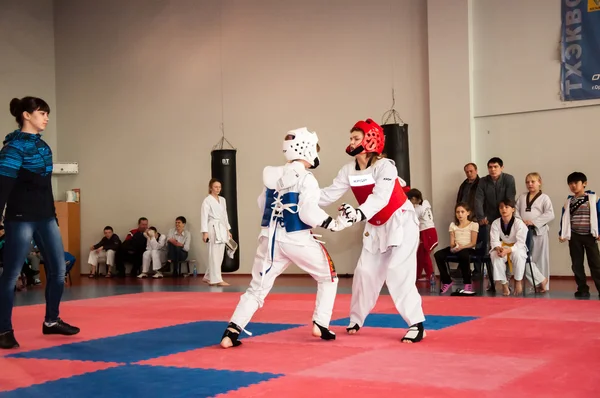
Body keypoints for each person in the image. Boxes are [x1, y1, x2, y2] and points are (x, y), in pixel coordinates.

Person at [220, 127, 346, 349]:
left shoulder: (272, 174)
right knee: (328, 277)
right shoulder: (307, 179)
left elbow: (262, 204)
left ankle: (231, 331)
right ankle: (321, 323)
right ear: (307, 150)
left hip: (269, 239)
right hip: (297, 239)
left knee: (257, 289)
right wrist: (332, 224)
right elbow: (307, 212)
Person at [319, 118, 426, 343]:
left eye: (356, 138)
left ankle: (417, 324)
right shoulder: (348, 170)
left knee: (398, 271)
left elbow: (380, 197)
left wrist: (358, 214)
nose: (351, 142)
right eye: (350, 138)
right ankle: (356, 318)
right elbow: (328, 194)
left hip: (401, 222)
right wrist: (302, 197)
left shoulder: (385, 166)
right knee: (365, 272)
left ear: (370, 140)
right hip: (375, 226)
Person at [0, 97, 80, 350]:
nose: (46, 118)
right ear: (26, 115)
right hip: (20, 218)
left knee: (58, 269)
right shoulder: (12, 149)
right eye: (42, 113)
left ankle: (52, 321)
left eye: (47, 113)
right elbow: (2, 188)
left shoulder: (44, 147)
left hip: (46, 218)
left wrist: (53, 216)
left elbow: (46, 187)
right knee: (11, 275)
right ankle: (3, 329)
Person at [490, 199, 547, 296]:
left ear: (513, 209)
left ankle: (518, 282)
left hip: (517, 246)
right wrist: (498, 248)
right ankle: (504, 284)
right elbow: (494, 240)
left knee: (519, 255)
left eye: (506, 207)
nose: (504, 209)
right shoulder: (496, 223)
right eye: (501, 207)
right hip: (502, 246)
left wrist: (508, 250)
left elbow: (520, 242)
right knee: (495, 255)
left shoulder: (519, 223)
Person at [558, 172, 600, 299]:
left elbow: (599, 215)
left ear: (584, 184)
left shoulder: (594, 199)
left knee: (596, 264)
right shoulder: (569, 202)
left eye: (576, 183)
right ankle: (582, 289)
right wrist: (562, 233)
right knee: (576, 264)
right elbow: (564, 218)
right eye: (570, 184)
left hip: (590, 235)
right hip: (574, 236)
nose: (573, 186)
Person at [515, 173, 554, 290]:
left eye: (533, 181)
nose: (530, 184)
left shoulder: (544, 198)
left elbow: (550, 214)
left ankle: (544, 286)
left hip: (539, 231)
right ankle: (538, 282)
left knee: (541, 258)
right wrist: (521, 222)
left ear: (539, 182)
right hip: (524, 231)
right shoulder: (522, 197)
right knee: (525, 257)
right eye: (527, 182)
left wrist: (534, 222)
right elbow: (515, 211)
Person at [433, 203, 479, 295]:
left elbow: (473, 242)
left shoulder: (474, 224)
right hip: (457, 248)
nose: (460, 214)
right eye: (458, 212)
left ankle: (467, 283)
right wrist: (454, 247)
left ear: (468, 213)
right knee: (438, 254)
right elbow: (452, 243)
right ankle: (447, 281)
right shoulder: (453, 225)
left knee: (463, 254)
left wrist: (462, 247)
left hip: (468, 248)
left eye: (462, 212)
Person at [201, 178, 232, 286]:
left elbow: (225, 216)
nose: (218, 189)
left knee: (219, 254)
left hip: (222, 227)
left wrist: (228, 230)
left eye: (219, 187)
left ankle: (208, 276)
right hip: (212, 227)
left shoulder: (222, 200)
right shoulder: (207, 200)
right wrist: (205, 232)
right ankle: (216, 279)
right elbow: (204, 216)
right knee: (214, 253)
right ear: (211, 187)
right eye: (215, 187)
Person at [407, 188, 438, 282]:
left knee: (424, 255)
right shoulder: (426, 203)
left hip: (426, 231)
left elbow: (412, 220)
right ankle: (417, 275)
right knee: (420, 254)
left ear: (413, 198)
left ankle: (431, 276)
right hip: (430, 230)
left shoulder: (417, 209)